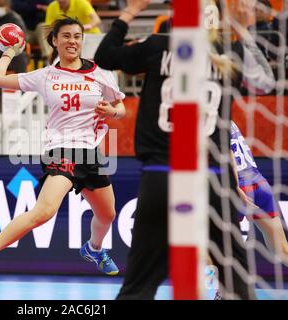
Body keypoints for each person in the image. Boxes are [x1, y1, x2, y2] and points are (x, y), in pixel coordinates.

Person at [93, 0, 272, 300]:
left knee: (139, 285)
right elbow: (265, 83)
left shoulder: (158, 45)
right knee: (237, 280)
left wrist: (130, 12)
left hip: (162, 174)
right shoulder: (229, 53)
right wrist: (244, 27)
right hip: (212, 177)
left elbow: (104, 56)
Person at [0, 17, 126, 276]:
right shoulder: (45, 76)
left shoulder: (101, 73)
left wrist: (112, 111)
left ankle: (94, 249)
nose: (72, 41)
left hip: (90, 153)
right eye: (66, 36)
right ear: (54, 41)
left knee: (108, 215)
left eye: (77, 36)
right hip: (61, 151)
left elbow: (122, 108)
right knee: (44, 212)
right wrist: (8, 52)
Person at [230, 121, 288, 266]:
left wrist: (235, 186)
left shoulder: (206, 121)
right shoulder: (229, 120)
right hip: (260, 184)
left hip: (238, 187)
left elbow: (228, 153)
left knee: (218, 246)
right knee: (281, 249)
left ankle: (221, 285)